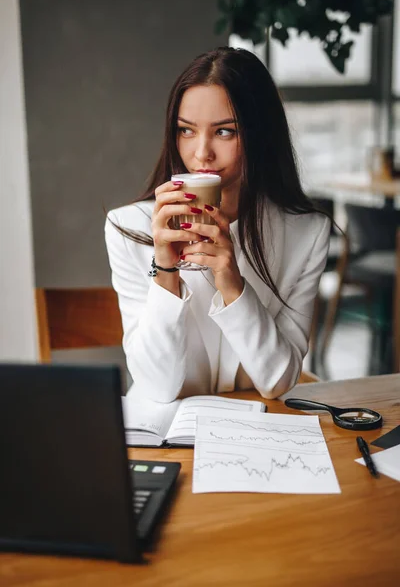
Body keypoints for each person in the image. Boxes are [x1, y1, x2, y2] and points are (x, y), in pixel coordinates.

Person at [105, 47, 331, 403]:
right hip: (161, 439)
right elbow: (157, 388)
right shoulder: (128, 227)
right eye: (186, 131)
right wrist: (165, 268)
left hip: (255, 436)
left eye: (224, 132)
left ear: (260, 135)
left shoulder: (306, 234)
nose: (201, 153)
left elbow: (278, 381)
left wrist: (233, 284)